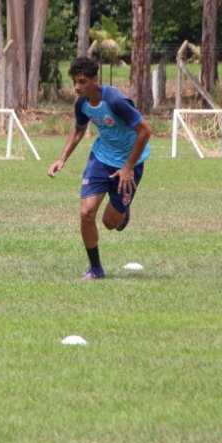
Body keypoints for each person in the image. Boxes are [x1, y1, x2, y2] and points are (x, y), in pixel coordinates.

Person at [48, 56, 152, 280]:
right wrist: (62, 159)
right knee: (86, 213)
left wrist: (128, 167)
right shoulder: (81, 103)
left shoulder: (115, 101)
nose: (77, 87)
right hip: (101, 158)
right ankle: (95, 269)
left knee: (110, 223)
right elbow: (78, 130)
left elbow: (145, 131)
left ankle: (122, 212)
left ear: (95, 80)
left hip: (130, 163)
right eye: (75, 81)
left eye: (82, 81)